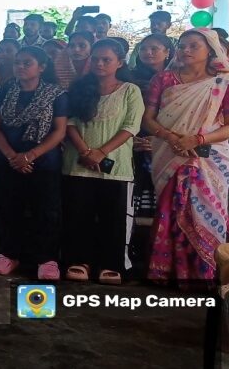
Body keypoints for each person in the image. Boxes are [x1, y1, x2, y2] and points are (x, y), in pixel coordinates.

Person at [142, 29, 229, 285]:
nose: (185, 50)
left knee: (206, 212)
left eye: (193, 46)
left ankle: (202, 273)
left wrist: (197, 140)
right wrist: (171, 138)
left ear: (210, 49)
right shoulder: (163, 79)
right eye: (181, 45)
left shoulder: (228, 82)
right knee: (168, 208)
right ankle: (164, 272)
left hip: (208, 158)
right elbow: (148, 119)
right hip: (169, 153)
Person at [62, 39, 143, 285]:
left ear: (120, 62)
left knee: (113, 218)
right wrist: (85, 151)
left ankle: (111, 263)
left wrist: (101, 152)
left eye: (106, 59)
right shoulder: (79, 88)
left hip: (115, 166)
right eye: (95, 59)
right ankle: (79, 261)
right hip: (78, 164)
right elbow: (69, 123)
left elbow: (131, 126)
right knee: (78, 215)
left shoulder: (130, 90)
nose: (99, 63)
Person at [0, 46, 68, 280]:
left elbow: (59, 131)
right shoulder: (5, 91)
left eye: (27, 63)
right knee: (8, 208)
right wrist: (12, 156)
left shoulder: (56, 94)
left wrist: (30, 155)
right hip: (8, 160)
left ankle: (47, 259)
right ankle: (9, 254)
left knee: (46, 210)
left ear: (42, 67)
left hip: (43, 162)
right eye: (17, 63)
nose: (20, 67)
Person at [128, 34, 174, 221]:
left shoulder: (177, 79)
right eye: (143, 49)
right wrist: (131, 138)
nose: (148, 52)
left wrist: (160, 138)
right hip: (134, 135)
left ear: (167, 52)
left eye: (154, 48)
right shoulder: (128, 77)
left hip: (167, 136)